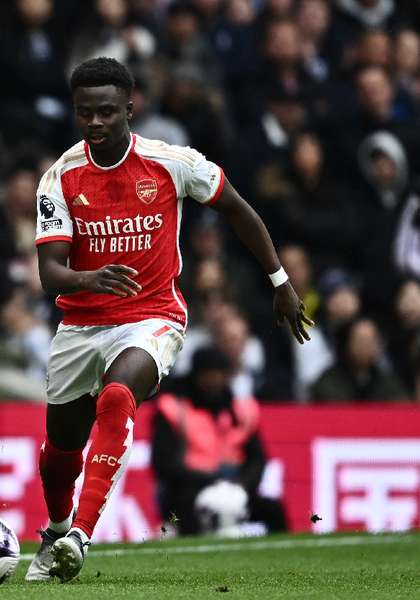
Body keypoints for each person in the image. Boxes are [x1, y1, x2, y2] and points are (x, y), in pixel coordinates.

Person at [26, 57, 310, 583]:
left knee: (117, 396)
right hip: (81, 326)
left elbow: (240, 210)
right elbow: (50, 272)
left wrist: (280, 281)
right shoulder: (60, 177)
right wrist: (89, 280)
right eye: (85, 112)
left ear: (130, 109)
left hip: (152, 317)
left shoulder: (171, 162)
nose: (95, 122)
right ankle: (57, 529)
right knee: (60, 449)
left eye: (107, 112)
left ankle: (80, 537)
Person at [151, 347, 287, 537]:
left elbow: (257, 458)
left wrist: (241, 485)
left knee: (273, 510)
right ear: (196, 375)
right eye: (208, 375)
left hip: (235, 487)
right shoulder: (173, 408)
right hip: (189, 490)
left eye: (219, 375)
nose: (214, 381)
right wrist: (210, 483)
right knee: (187, 512)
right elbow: (163, 464)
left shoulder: (242, 410)